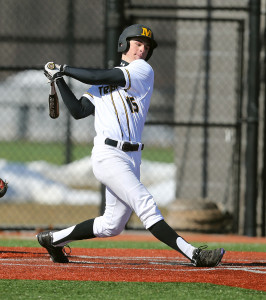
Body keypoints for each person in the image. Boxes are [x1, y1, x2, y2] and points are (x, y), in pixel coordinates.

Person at [37, 24, 225, 267]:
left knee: (111, 225)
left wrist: (64, 69)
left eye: (146, 47)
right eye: (137, 44)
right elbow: (78, 110)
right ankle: (195, 254)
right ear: (124, 45)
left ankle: (52, 239)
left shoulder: (142, 70)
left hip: (132, 157)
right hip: (108, 155)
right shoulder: (101, 86)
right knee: (145, 204)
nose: (142, 50)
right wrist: (59, 79)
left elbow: (103, 76)